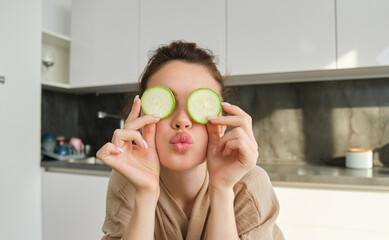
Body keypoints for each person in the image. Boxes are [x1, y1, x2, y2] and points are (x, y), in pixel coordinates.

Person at [97, 40, 284, 240]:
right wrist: (145, 193)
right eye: (165, 104)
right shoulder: (128, 180)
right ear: (142, 114)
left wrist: (222, 190)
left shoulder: (248, 183)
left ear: (221, 119)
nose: (182, 121)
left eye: (200, 105)